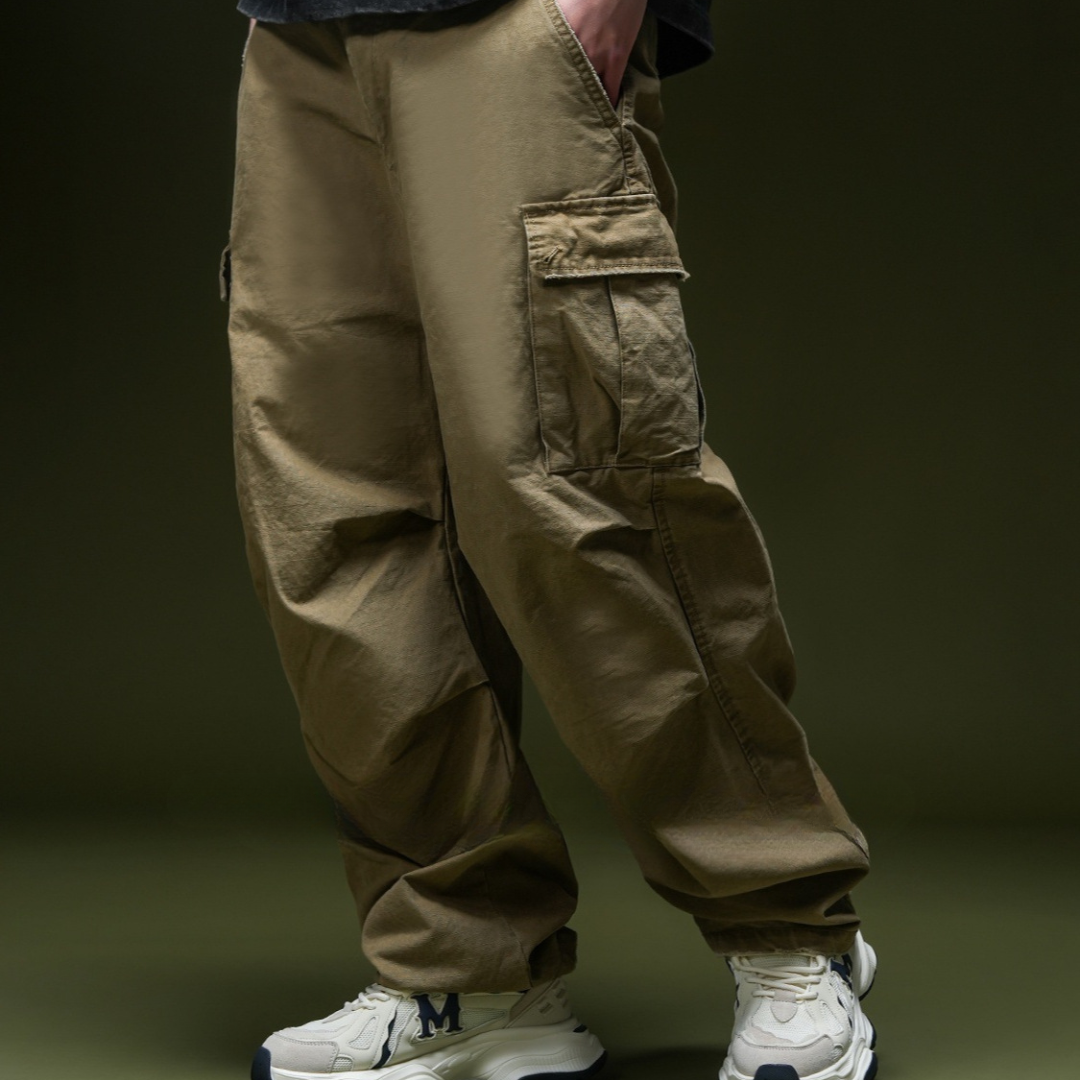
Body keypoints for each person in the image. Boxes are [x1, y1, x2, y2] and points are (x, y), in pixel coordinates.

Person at [222, 0, 878, 1078]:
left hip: (511, 21)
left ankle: (787, 927)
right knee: (338, 522)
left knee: (581, 489)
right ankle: (468, 968)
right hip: (299, 32)